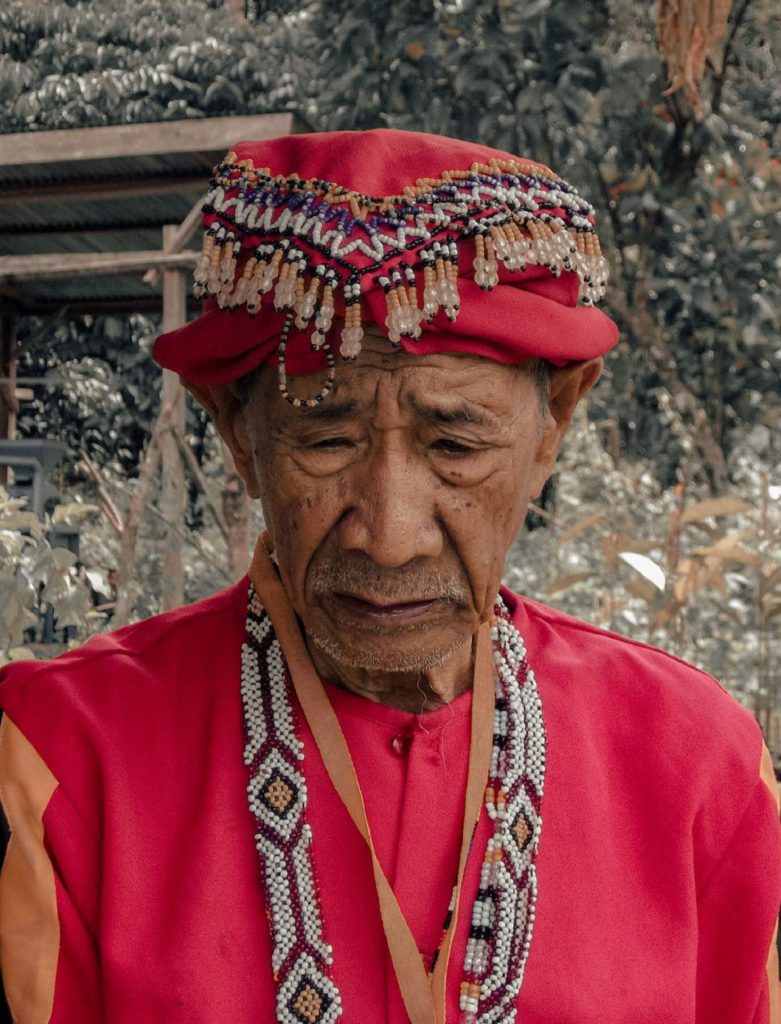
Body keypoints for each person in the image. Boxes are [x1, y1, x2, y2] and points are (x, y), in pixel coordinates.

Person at [0, 129, 778, 1024]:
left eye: (455, 445)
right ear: (234, 431)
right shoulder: (63, 758)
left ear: (553, 424)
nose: (391, 535)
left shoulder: (696, 770)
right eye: (325, 438)